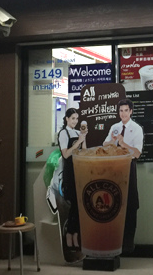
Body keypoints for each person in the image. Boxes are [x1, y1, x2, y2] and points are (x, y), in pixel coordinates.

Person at [103, 98, 143, 253]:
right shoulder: (114, 127)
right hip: (114, 167)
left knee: (131, 203)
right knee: (115, 202)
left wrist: (123, 143)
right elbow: (105, 145)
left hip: (129, 167)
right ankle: (115, 242)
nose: (123, 113)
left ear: (131, 111)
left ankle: (128, 244)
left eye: (126, 110)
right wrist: (113, 141)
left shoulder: (137, 128)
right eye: (121, 111)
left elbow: (137, 153)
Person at [57, 108, 88, 262]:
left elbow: (84, 152)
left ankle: (74, 236)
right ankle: (70, 237)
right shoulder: (63, 133)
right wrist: (78, 143)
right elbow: (66, 154)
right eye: (73, 118)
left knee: (79, 205)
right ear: (67, 119)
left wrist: (84, 138)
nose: (75, 121)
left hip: (79, 171)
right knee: (74, 203)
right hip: (69, 173)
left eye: (77, 118)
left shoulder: (77, 133)